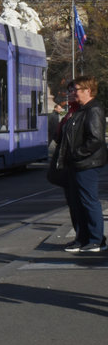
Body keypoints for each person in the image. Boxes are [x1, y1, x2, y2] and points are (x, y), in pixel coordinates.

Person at [57, 75, 106, 253]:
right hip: (76, 164)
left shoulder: (94, 110)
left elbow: (96, 139)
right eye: (71, 90)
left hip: (87, 163)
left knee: (88, 201)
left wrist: (77, 154)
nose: (72, 93)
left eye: (75, 89)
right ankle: (82, 238)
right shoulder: (80, 110)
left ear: (88, 90)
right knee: (76, 202)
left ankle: (96, 240)